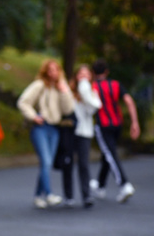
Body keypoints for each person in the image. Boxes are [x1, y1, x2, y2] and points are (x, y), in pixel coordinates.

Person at [17, 59, 74, 209]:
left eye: (56, 70)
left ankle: (37, 195)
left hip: (55, 128)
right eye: (50, 70)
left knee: (46, 163)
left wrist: (64, 92)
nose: (53, 73)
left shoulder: (61, 87)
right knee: (47, 160)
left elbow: (68, 110)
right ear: (46, 72)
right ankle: (48, 194)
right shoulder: (39, 85)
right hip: (41, 127)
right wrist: (33, 116)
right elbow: (23, 102)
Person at [89, 59, 140, 203]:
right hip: (117, 124)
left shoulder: (92, 87)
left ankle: (124, 184)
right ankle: (100, 185)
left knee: (110, 154)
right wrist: (134, 122)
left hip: (103, 125)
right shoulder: (116, 85)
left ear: (93, 73)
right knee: (108, 153)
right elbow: (129, 101)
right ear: (107, 72)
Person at [62, 65, 101, 208]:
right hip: (70, 131)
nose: (83, 76)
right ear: (76, 75)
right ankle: (68, 196)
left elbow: (94, 108)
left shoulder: (91, 93)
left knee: (84, 164)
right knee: (68, 163)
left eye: (86, 74)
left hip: (85, 132)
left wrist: (85, 94)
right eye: (81, 74)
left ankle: (86, 195)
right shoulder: (69, 91)